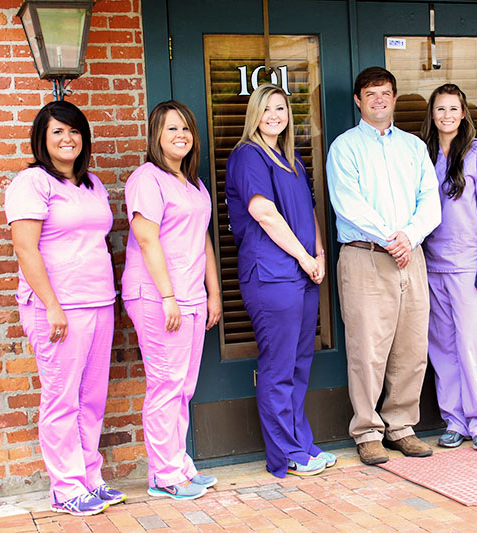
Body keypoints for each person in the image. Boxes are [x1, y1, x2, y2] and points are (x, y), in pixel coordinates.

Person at [6, 101, 125, 516]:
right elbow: (25, 248)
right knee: (62, 399)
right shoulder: (32, 182)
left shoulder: (91, 183)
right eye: (57, 132)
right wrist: (51, 306)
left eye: (73, 131)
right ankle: (66, 487)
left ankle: (90, 478)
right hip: (58, 308)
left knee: (91, 398)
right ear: (42, 138)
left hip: (98, 303)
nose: (67, 138)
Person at [326, 66, 441, 465]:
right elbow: (349, 204)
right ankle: (367, 430)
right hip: (366, 256)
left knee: (411, 347)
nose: (379, 99)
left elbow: (431, 200)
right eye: (370, 93)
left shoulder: (413, 147)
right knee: (367, 349)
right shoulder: (344, 147)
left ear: (394, 98)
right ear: (358, 100)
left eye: (385, 92)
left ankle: (401, 425)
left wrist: (409, 236)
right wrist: (393, 239)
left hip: (411, 254)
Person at [225, 84, 335, 477]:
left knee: (299, 363)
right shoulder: (248, 156)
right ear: (254, 113)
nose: (275, 114)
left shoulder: (294, 159)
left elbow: (308, 210)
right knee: (278, 366)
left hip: (303, 272)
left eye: (282, 108)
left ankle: (301, 442)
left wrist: (319, 253)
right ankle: (286, 453)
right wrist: (305, 257)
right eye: (267, 108)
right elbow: (264, 213)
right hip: (272, 275)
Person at [122, 100, 221, 500]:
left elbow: (203, 239)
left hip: (192, 296)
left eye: (185, 129)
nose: (180, 136)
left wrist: (213, 292)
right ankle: (165, 475)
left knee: (183, 386)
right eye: (171, 129)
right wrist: (167, 296)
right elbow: (146, 238)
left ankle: (177, 464)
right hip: (158, 296)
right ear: (156, 137)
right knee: (165, 384)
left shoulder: (193, 183)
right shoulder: (147, 178)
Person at [420, 84, 477, 450]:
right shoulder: (424, 151)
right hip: (432, 263)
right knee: (441, 346)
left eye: (454, 109)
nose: (447, 116)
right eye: (441, 109)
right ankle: (454, 419)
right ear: (432, 114)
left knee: (470, 344)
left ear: (464, 113)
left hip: (468, 264)